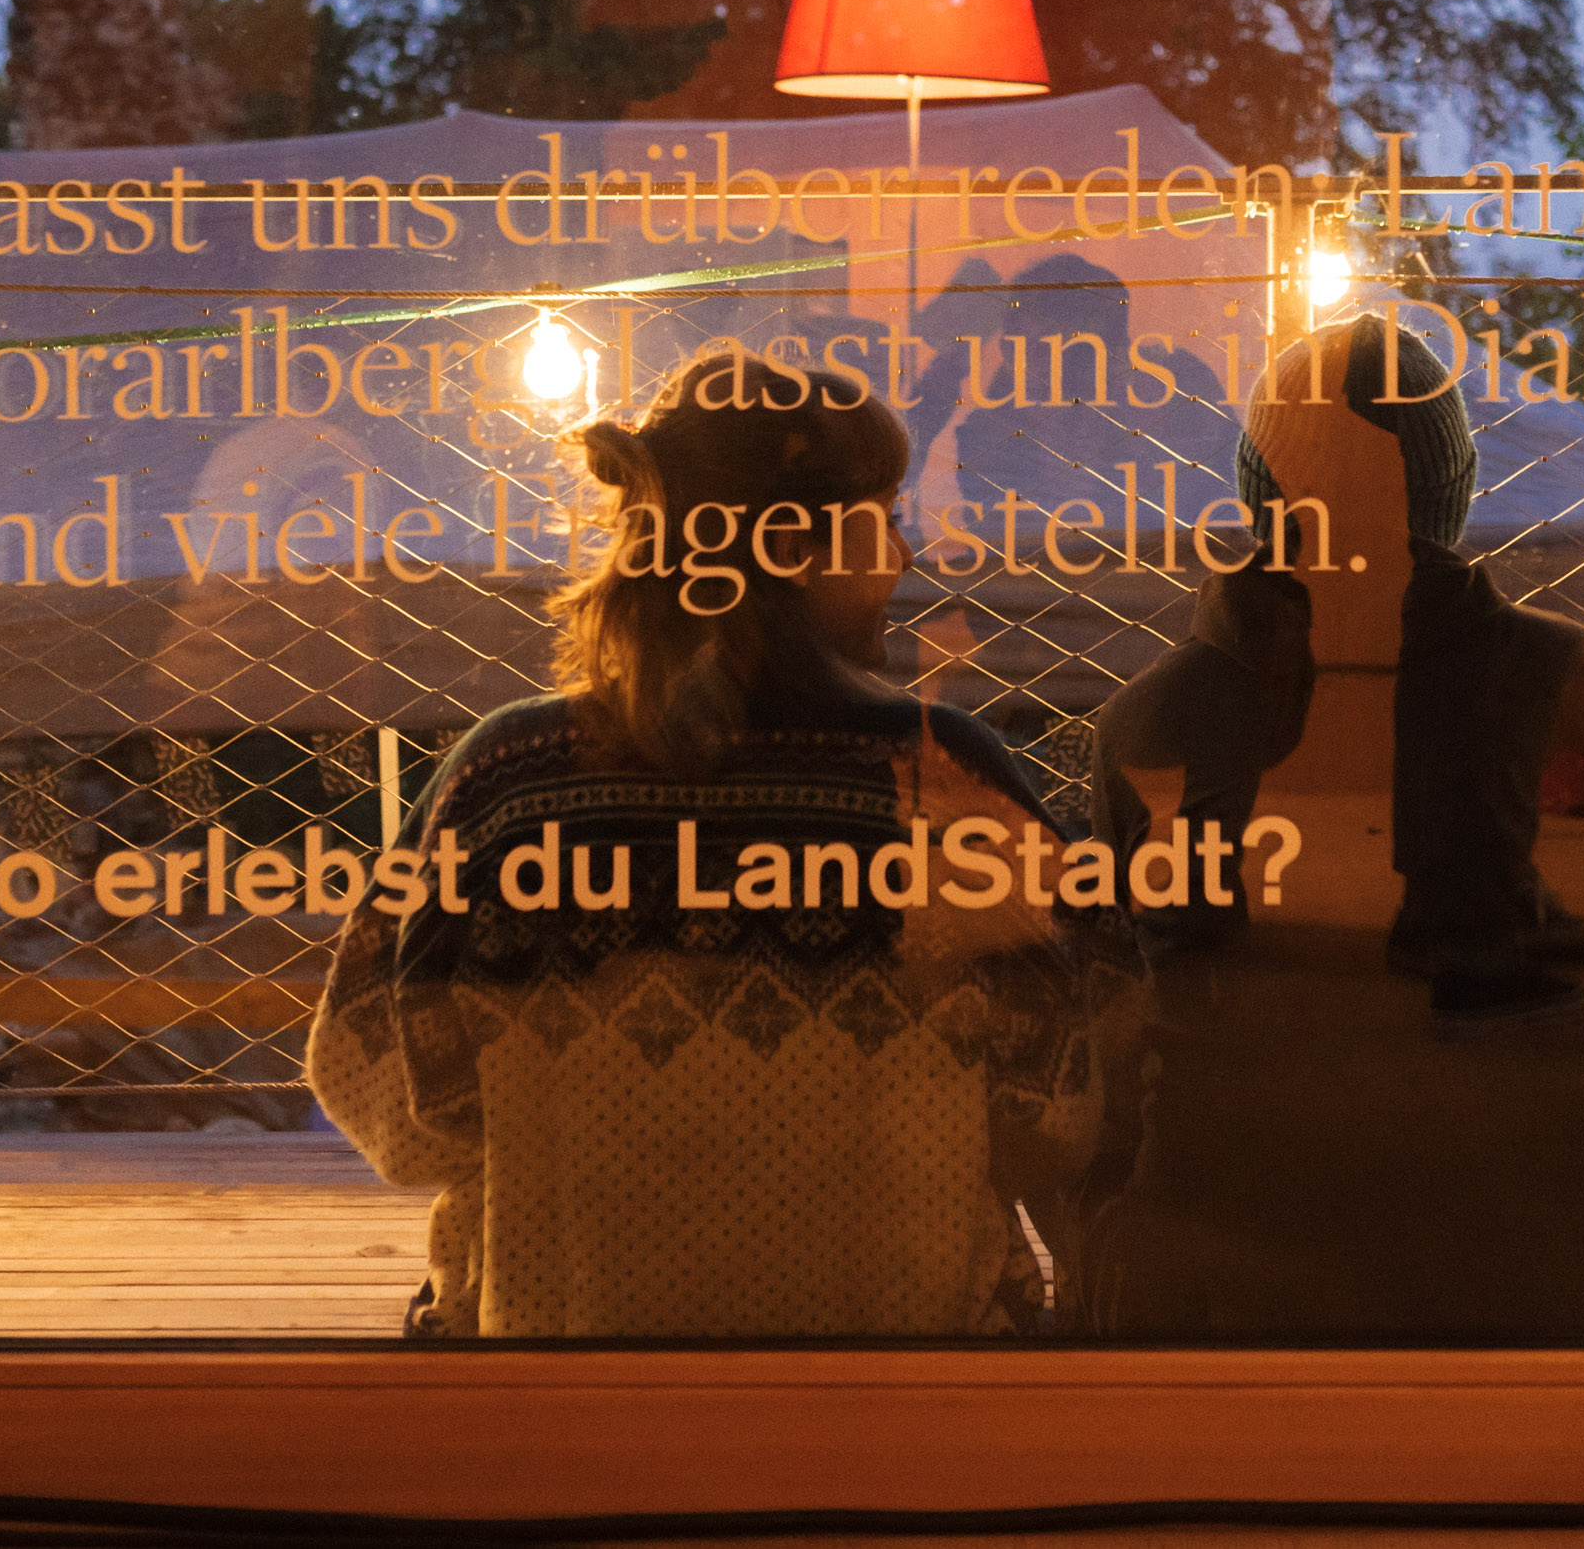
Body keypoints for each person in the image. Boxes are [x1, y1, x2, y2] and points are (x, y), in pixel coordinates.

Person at [304, 350, 1130, 1338]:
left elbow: (381, 1098)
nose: (905, 556)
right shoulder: (940, 777)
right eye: (884, 518)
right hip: (904, 1377)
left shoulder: (503, 780)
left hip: (559, 1372)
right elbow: (1061, 1115)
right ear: (794, 545)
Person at [1067, 313, 1584, 1339]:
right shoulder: (1572, 682)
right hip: (1519, 1286)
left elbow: (1115, 1066)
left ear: (1259, 497)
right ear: (1446, 493)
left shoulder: (1143, 721)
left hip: (1220, 1278)